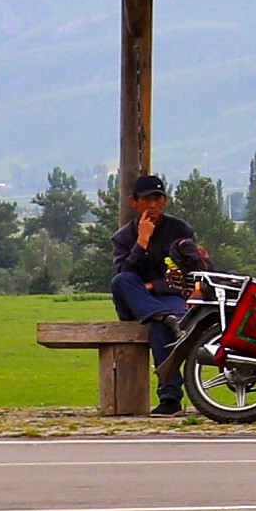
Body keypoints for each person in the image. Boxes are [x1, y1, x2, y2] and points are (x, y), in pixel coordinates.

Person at [109, 174, 205, 413]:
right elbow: (124, 276)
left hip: (170, 295)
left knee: (162, 326)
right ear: (134, 202)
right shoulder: (123, 237)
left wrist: (154, 287)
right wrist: (141, 242)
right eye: (146, 199)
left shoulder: (180, 230)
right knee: (121, 281)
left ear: (165, 201)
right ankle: (163, 315)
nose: (152, 205)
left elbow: (190, 272)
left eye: (157, 198)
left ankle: (170, 398)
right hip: (135, 303)